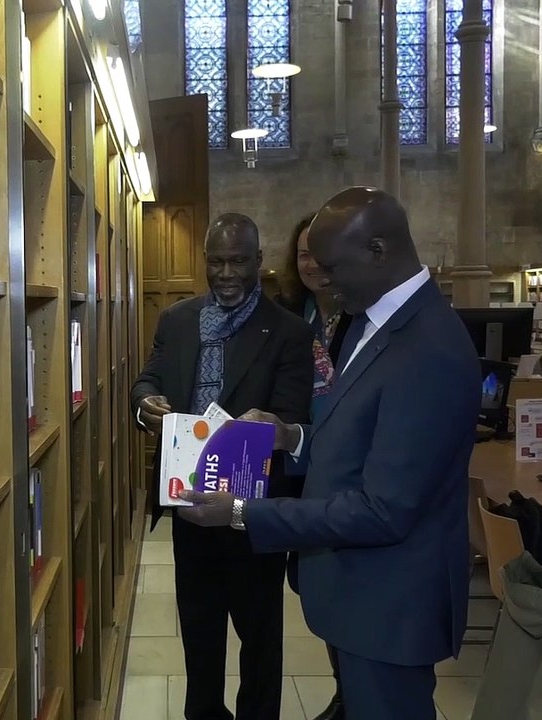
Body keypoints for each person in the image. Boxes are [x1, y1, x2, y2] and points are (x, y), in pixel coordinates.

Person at [177, 187, 481, 720]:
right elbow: (357, 439)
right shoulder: (371, 322)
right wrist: (290, 438)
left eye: (333, 266)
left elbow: (385, 509)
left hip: (390, 606)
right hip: (356, 595)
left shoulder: (429, 347)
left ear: (379, 251)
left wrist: (244, 512)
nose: (324, 280)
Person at [131, 212, 313, 720]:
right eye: (216, 261)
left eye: (237, 261)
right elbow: (146, 381)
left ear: (258, 262)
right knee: (199, 633)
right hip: (189, 509)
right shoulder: (178, 320)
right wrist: (144, 404)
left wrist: (269, 428)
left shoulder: (288, 333)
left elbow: (294, 418)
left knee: (260, 642)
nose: (226, 273)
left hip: (249, 514)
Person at [276, 211, 354, 720]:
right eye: (302, 253)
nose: (311, 263)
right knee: (314, 582)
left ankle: (352, 694)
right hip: (297, 466)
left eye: (318, 252)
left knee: (344, 582)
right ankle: (343, 688)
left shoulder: (358, 314)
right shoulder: (291, 314)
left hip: (344, 467)